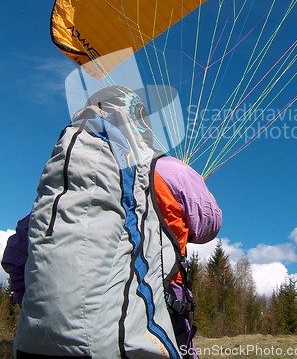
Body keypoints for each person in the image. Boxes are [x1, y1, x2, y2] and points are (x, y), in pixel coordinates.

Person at [2, 85, 222, 358]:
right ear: (141, 124)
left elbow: (15, 254)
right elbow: (208, 226)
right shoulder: (168, 169)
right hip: (155, 316)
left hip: (38, 341)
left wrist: (41, 305)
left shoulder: (62, 186)